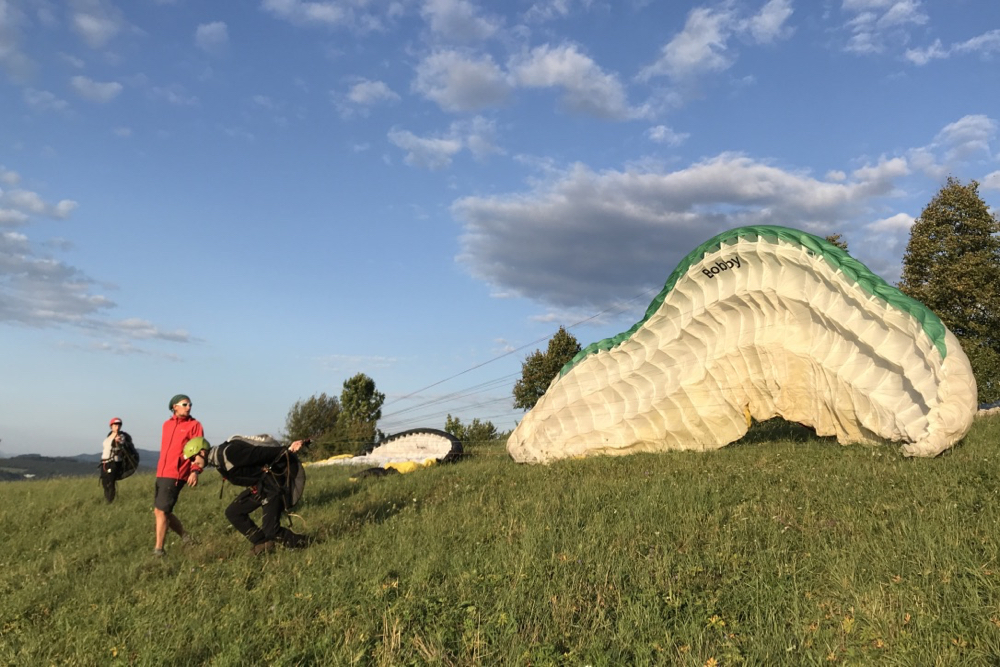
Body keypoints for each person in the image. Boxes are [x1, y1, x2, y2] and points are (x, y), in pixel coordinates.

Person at [183, 434, 309, 555]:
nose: (192, 463)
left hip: (273, 486)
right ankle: (263, 543)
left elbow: (259, 453)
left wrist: (287, 449)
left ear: (202, 452)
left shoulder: (229, 453)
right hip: (261, 488)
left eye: (192, 459)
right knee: (233, 512)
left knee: (271, 531)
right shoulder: (218, 461)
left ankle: (308, 543)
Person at [153, 394, 203, 556]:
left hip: (177, 473)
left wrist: (195, 471)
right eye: (185, 404)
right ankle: (186, 537)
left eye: (190, 405)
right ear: (174, 407)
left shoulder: (194, 425)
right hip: (162, 472)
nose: (188, 407)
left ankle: (159, 550)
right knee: (161, 511)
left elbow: (200, 450)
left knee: (161, 511)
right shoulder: (166, 425)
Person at [100, 417, 134, 503]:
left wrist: (118, 441)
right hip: (104, 462)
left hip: (113, 462)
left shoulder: (121, 436)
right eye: (115, 425)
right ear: (111, 426)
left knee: (111, 482)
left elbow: (121, 444)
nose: (117, 427)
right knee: (104, 483)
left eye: (119, 425)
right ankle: (107, 499)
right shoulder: (108, 437)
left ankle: (109, 501)